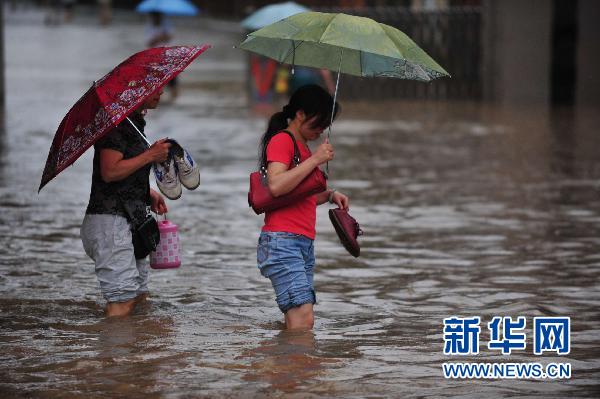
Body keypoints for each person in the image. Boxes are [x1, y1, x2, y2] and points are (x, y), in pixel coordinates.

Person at [256, 84, 350, 330]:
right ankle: (300, 367)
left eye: (326, 125)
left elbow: (297, 196)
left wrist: (329, 195)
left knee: (296, 321)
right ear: (300, 114)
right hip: (282, 241)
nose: (322, 130)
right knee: (303, 319)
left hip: (301, 243)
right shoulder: (282, 141)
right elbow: (276, 186)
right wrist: (317, 160)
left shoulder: (304, 148)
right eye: (319, 123)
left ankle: (285, 365)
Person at [80, 88, 171, 317]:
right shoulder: (117, 125)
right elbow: (109, 171)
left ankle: (133, 351)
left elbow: (126, 169)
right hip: (111, 221)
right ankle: (112, 351)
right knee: (123, 300)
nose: (161, 91)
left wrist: (147, 192)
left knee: (139, 297)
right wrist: (150, 155)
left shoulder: (134, 123)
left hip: (132, 220)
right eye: (153, 88)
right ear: (135, 91)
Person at [146, 12, 178, 100]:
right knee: (156, 82)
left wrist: (162, 36)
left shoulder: (167, 25)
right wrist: (158, 38)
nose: (156, 18)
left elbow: (170, 37)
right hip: (155, 58)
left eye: (158, 16)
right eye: (154, 16)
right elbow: (149, 43)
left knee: (172, 81)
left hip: (168, 57)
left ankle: (173, 98)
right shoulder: (150, 27)